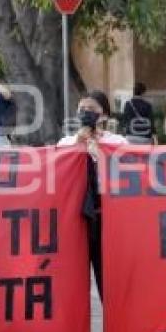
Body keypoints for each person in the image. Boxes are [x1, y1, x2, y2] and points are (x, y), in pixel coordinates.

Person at [57, 91, 127, 300]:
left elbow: (127, 171)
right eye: (82, 109)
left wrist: (99, 152)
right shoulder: (66, 142)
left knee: (107, 277)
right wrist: (79, 144)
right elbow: (56, 167)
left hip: (106, 217)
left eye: (91, 109)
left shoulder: (118, 141)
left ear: (104, 115)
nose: (85, 113)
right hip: (74, 218)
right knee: (72, 280)